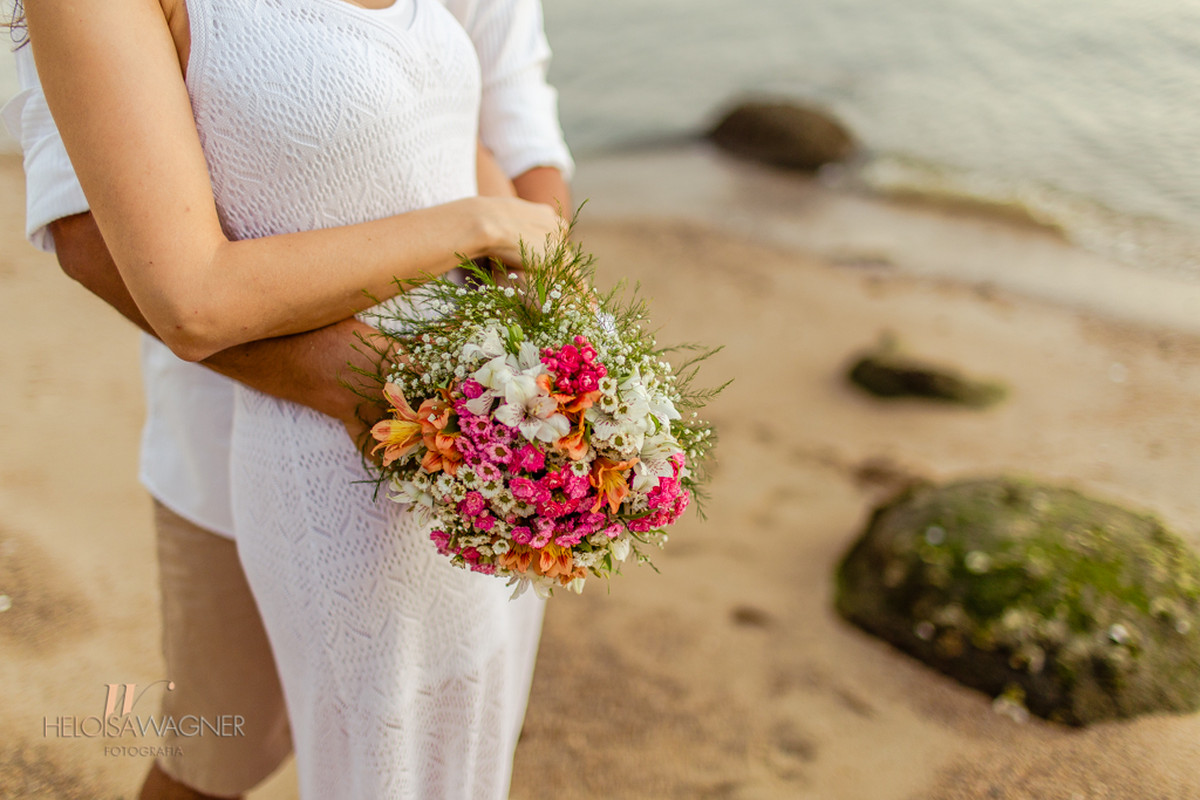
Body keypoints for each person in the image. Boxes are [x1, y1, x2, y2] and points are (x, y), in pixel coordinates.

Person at [7, 0, 572, 797]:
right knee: (223, 752)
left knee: (453, 746)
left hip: (464, 433)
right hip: (273, 427)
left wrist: (561, 347)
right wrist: (468, 240)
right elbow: (118, 252)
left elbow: (480, 118)